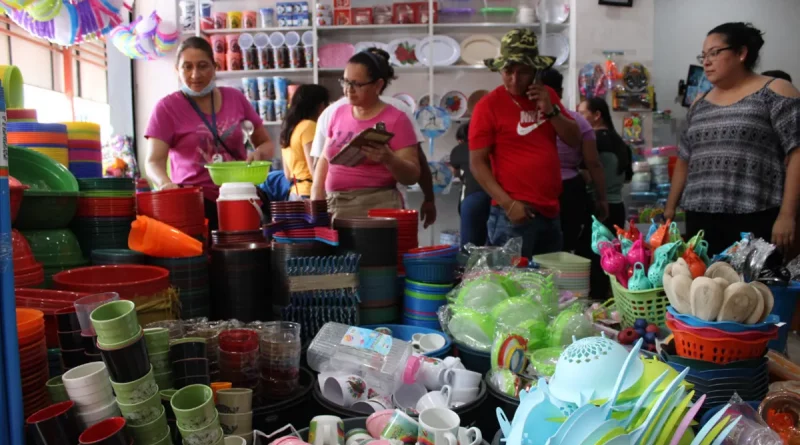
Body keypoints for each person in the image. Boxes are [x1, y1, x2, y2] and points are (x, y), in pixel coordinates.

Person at [665, 22, 800, 255]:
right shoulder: (699, 103)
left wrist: (787, 215)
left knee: (754, 290)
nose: (706, 61)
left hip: (756, 215)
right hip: (700, 218)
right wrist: (669, 210)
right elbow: (685, 159)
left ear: (741, 53)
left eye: (714, 53)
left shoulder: (775, 90)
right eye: (703, 55)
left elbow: (797, 153)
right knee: (701, 288)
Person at [469, 29, 581, 258]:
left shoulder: (547, 95)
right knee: (510, 288)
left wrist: (551, 110)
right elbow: (477, 163)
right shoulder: (488, 105)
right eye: (508, 71)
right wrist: (508, 205)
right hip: (512, 212)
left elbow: (574, 139)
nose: (514, 79)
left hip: (550, 210)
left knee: (548, 288)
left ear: (535, 71)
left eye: (523, 72)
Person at [145, 37, 274, 229]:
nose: (195, 75)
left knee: (245, 253)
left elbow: (265, 143)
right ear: (177, 70)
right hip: (194, 203)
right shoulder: (166, 108)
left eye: (203, 66)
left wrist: (259, 154)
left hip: (239, 195)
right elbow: (153, 161)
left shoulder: (235, 98)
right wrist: (165, 184)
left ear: (215, 67)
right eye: (187, 67)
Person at [310, 48, 437, 228]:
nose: (348, 90)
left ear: (377, 85)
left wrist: (389, 158)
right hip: (335, 206)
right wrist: (317, 199)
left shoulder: (397, 118)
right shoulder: (337, 113)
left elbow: (412, 175)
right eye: (345, 82)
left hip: (377, 206)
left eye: (357, 84)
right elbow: (324, 158)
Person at [540, 68, 608, 252]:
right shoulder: (578, 120)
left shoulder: (529, 120)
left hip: (537, 188)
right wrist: (602, 198)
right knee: (567, 246)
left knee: (537, 248)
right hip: (569, 189)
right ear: (560, 92)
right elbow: (593, 163)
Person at [577, 97, 633, 300]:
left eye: (582, 113)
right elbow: (627, 177)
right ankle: (611, 302)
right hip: (617, 206)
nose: (578, 118)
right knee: (612, 262)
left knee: (592, 261)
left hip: (598, 209)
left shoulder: (593, 142)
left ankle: (595, 306)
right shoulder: (621, 143)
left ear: (597, 115)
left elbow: (588, 172)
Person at [280, 84, 330, 199]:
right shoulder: (309, 126)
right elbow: (315, 170)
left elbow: (287, 175)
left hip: (294, 193)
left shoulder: (288, 129)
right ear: (321, 106)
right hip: (310, 194)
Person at [449, 121, 491, 247]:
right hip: (497, 195)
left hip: (472, 197)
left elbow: (455, 172)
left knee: (469, 248)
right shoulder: (490, 146)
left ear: (461, 140)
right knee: (492, 245)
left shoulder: (459, 149)